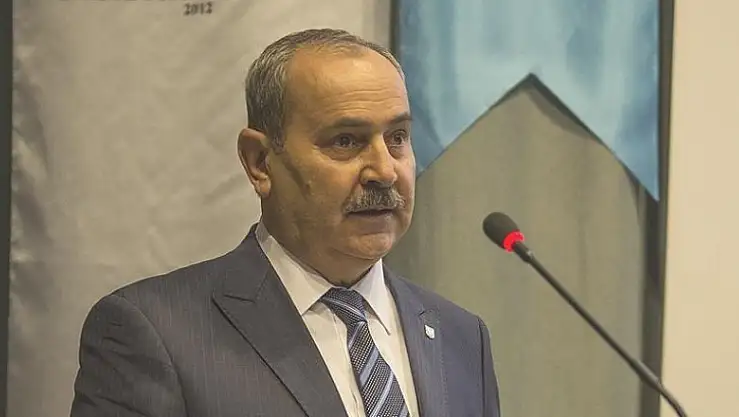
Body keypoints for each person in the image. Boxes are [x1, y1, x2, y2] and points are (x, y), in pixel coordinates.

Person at [70, 28, 501, 417]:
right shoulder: (154, 331)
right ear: (260, 162)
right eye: (345, 141)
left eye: (397, 138)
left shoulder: (461, 337)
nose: (385, 171)